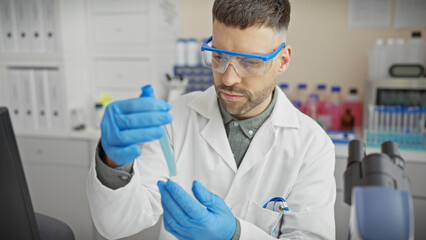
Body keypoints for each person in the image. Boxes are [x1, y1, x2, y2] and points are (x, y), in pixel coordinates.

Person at [87, 0, 336, 239]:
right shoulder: (174, 120)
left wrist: (235, 236)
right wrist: (113, 162)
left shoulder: (312, 146)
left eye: (249, 62)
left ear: (282, 60)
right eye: (218, 56)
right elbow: (116, 225)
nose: (228, 78)